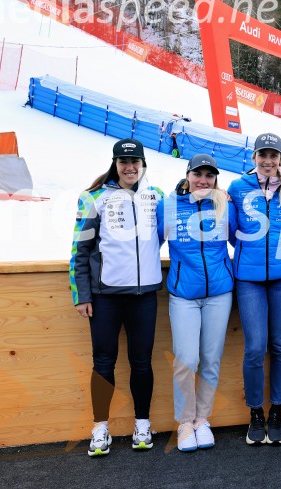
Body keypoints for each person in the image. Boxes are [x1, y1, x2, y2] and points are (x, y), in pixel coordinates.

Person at [69, 138, 164, 457]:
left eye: (135, 161)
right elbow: (79, 250)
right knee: (103, 363)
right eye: (124, 162)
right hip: (105, 297)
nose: (130, 167)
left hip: (144, 296)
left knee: (141, 363)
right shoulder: (93, 197)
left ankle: (142, 423)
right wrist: (81, 294)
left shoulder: (157, 197)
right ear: (115, 164)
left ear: (143, 164)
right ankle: (100, 427)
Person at [227, 133, 281, 445]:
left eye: (274, 155)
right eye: (263, 155)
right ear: (254, 157)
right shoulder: (237, 187)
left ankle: (276, 412)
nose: (268, 161)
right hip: (249, 279)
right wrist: (251, 255)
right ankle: (255, 412)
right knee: (256, 346)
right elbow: (232, 233)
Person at [157, 154, 233, 452]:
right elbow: (152, 244)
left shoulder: (225, 206)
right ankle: (185, 422)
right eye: (198, 174)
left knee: (211, 360)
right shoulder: (169, 206)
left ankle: (203, 419)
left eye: (209, 176)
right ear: (188, 176)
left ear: (216, 179)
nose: (204, 180)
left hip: (219, 294)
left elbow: (243, 240)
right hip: (183, 295)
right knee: (186, 360)